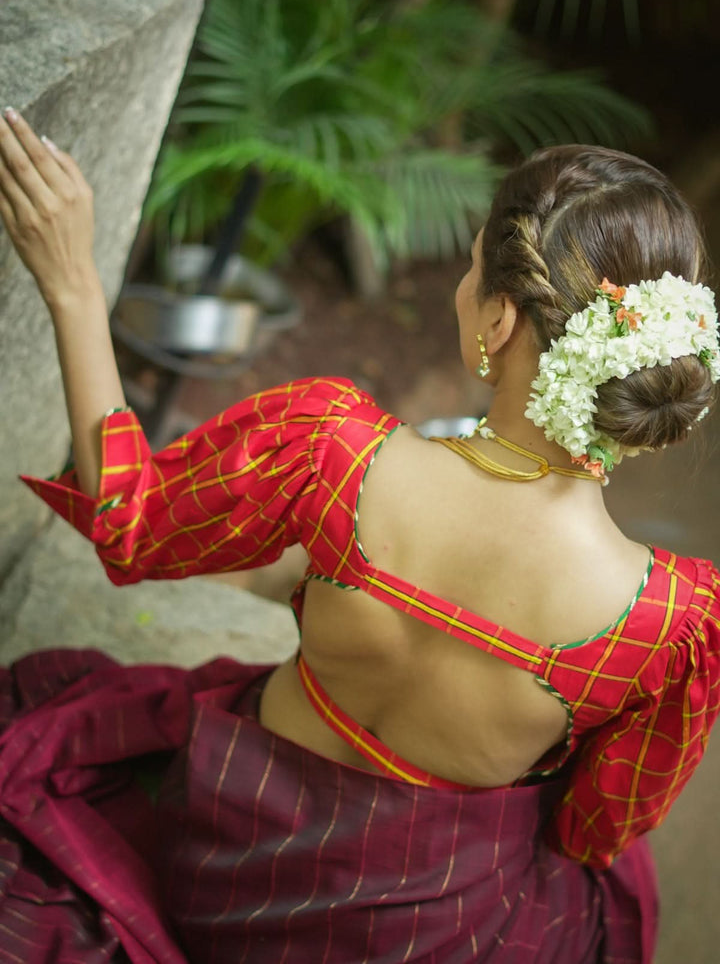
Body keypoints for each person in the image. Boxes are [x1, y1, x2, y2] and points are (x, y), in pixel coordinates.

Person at [0, 105, 718, 964]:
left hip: (229, 858)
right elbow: (600, 825)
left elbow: (134, 526)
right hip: (426, 931)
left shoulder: (331, 450)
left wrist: (74, 282)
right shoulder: (673, 622)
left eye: (470, 262)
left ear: (497, 322)